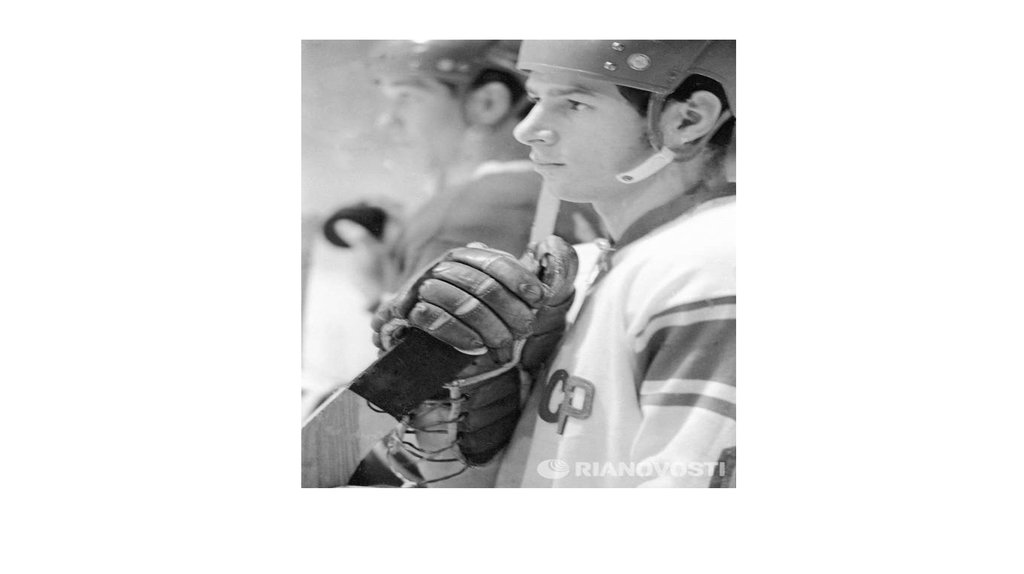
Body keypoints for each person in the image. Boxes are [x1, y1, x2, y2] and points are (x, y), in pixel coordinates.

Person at [372, 40, 736, 487]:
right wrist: (441, 396)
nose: (527, 129)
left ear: (687, 120)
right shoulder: (584, 266)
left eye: (574, 103)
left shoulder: (713, 266)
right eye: (537, 98)